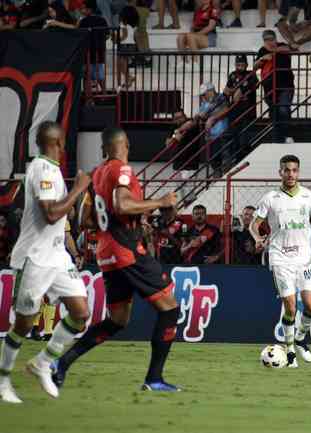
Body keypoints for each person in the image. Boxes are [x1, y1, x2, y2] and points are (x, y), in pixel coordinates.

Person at [52, 126, 181, 392]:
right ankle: (154, 379)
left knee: (118, 320)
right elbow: (123, 204)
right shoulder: (122, 170)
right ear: (126, 145)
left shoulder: (96, 174)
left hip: (106, 254)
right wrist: (161, 201)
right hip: (128, 252)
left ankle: (61, 363)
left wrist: (130, 221)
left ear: (103, 148)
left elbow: (84, 219)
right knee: (170, 309)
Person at [0, 121, 91, 403]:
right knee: (24, 325)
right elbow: (51, 214)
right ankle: (2, 381)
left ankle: (41, 363)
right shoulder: (41, 169)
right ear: (59, 143)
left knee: (81, 312)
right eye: (64, 142)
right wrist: (78, 189)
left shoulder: (51, 169)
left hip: (57, 256)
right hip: (36, 258)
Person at [249, 154, 311, 368]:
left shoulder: (309, 197)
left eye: (294, 170)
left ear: (298, 172)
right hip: (280, 257)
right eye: (286, 170)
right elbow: (254, 225)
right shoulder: (270, 198)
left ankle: (300, 338)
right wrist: (257, 238)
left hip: (305, 259)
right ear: (280, 172)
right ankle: (290, 351)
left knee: (310, 306)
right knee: (290, 308)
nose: (290, 174)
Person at [254, 30, 295, 143]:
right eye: (266, 40)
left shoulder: (282, 45)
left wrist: (273, 51)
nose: (269, 42)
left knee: (283, 108)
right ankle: (277, 139)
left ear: (275, 38)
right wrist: (262, 59)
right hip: (269, 87)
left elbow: (289, 49)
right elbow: (255, 66)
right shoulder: (262, 50)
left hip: (286, 84)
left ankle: (287, 135)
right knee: (274, 112)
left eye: (271, 39)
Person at [78, 0, 109, 93]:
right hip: (99, 53)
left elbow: (79, 35)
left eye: (83, 8)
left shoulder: (83, 21)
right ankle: (104, 94)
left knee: (87, 77)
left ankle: (89, 100)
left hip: (87, 54)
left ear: (89, 9)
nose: (81, 10)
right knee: (100, 77)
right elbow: (107, 35)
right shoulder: (102, 20)